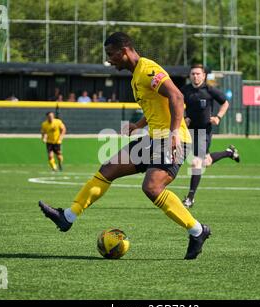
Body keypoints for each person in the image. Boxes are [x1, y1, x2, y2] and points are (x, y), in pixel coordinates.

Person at [38, 32, 211, 260]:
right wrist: (137, 124)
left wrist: (172, 135)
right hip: (153, 138)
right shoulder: (135, 77)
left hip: (171, 139)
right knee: (108, 169)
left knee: (151, 188)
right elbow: (156, 107)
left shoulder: (148, 70)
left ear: (125, 50)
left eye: (111, 55)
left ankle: (197, 231)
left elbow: (177, 97)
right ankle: (67, 217)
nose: (109, 60)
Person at [180, 64, 240, 208]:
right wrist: (184, 117)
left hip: (204, 131)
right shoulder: (185, 90)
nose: (195, 76)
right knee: (205, 161)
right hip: (190, 131)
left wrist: (218, 117)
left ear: (204, 75)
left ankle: (190, 198)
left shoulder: (209, 90)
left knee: (196, 163)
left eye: (198, 74)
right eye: (193, 74)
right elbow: (178, 104)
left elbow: (225, 103)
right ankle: (229, 152)